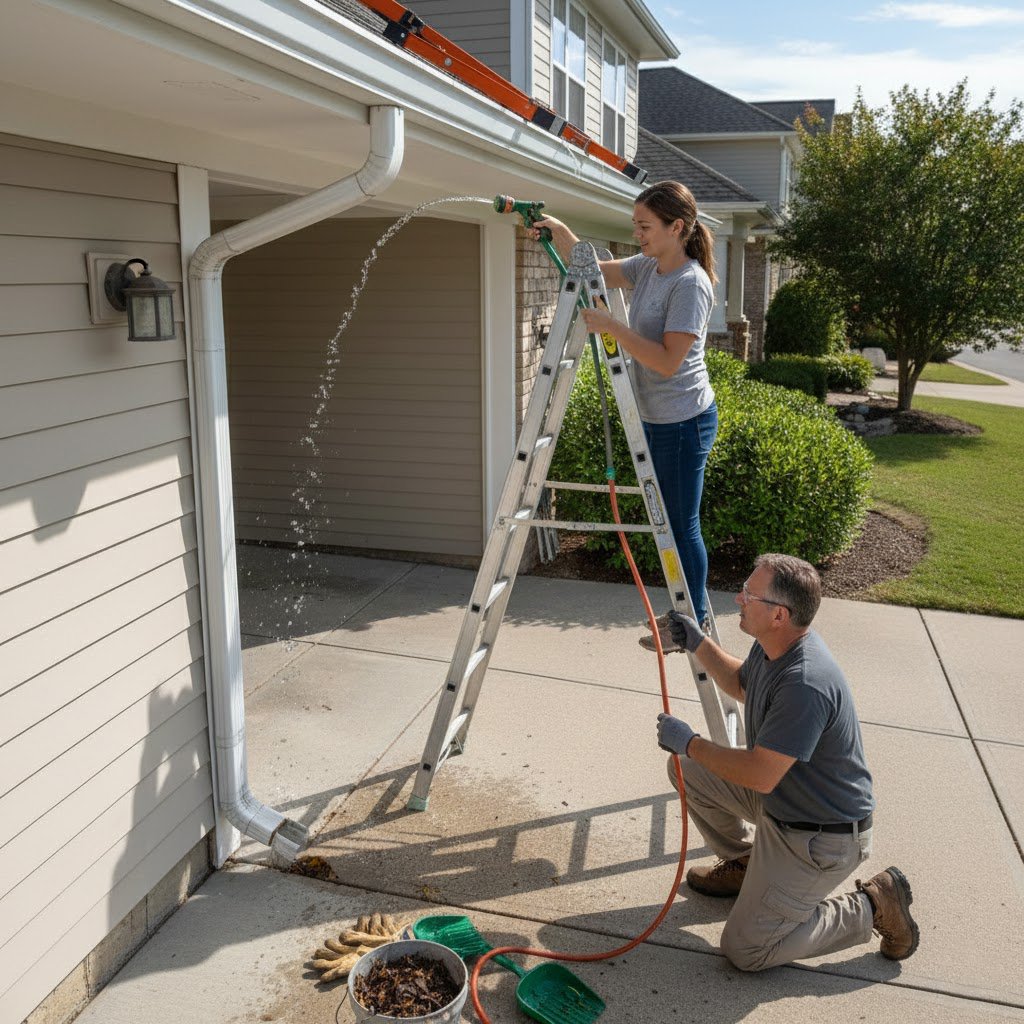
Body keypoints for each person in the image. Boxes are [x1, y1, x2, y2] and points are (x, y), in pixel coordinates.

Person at [655, 553, 919, 972]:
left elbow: (760, 774)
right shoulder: (774, 645)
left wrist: (691, 743)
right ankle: (747, 864)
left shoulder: (804, 682)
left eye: (748, 595)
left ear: (779, 614)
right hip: (785, 803)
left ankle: (873, 905)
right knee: (688, 773)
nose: (739, 599)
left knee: (746, 950)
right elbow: (742, 684)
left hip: (820, 837)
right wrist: (697, 642)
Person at [531, 181, 718, 638]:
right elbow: (594, 268)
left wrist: (612, 325)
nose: (638, 234)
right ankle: (689, 615)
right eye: (636, 225)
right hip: (657, 418)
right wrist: (559, 229)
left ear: (678, 228)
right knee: (670, 524)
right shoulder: (650, 268)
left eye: (645, 226)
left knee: (679, 525)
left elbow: (668, 362)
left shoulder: (689, 284)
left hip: (683, 420)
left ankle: (690, 622)